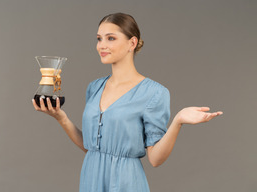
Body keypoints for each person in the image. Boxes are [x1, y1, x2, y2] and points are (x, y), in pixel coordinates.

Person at [32, 12, 223, 192]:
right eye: (99, 39)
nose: (101, 45)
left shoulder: (154, 93)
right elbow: (93, 147)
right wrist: (61, 118)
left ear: (132, 43)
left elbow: (155, 159)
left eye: (111, 38)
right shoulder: (94, 87)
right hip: (90, 180)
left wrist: (178, 121)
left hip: (125, 182)